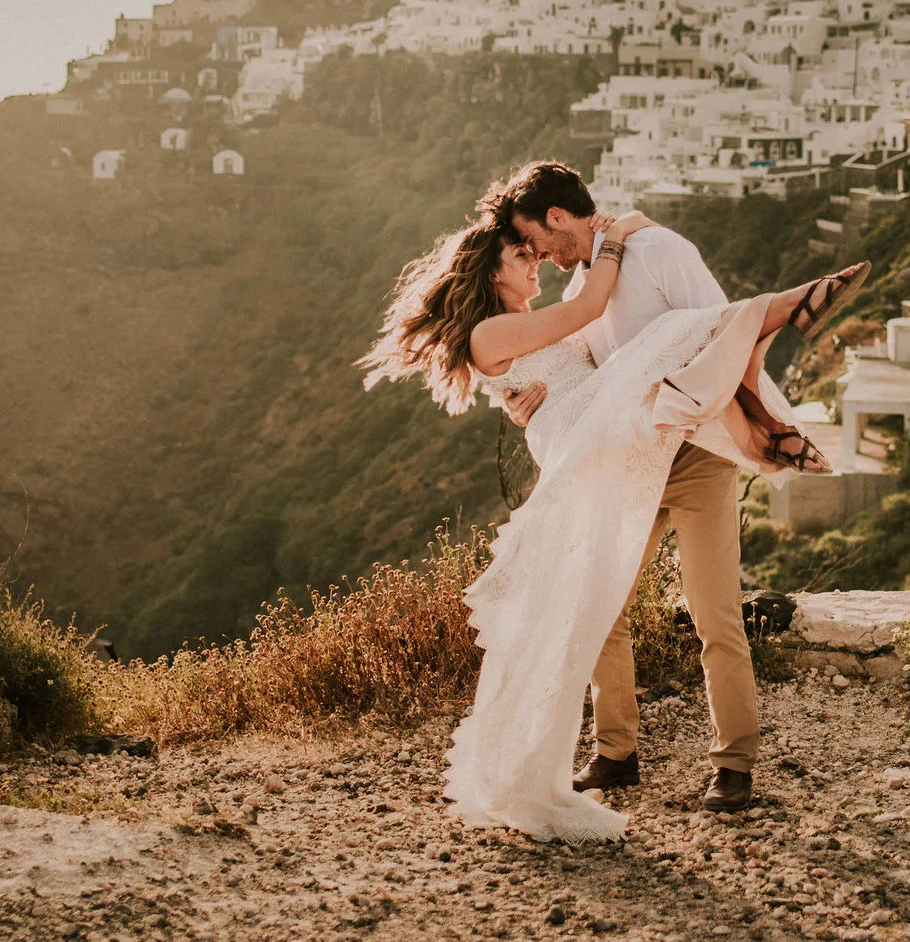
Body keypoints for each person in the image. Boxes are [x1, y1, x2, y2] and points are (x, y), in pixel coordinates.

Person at [359, 162, 867, 842]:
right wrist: (527, 402)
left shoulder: (655, 255)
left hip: (688, 458)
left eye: (533, 242)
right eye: (522, 252)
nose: (536, 256)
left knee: (717, 611)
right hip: (618, 459)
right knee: (605, 610)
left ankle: (734, 763)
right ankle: (616, 752)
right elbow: (575, 346)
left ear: (557, 219)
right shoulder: (568, 295)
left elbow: (683, 341)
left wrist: (629, 236)